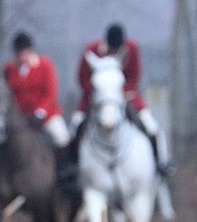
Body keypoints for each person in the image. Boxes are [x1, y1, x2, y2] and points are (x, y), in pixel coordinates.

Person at [71, 23, 174, 176]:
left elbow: (134, 77)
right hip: (96, 101)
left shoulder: (132, 49)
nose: (114, 52)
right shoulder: (91, 51)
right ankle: (72, 166)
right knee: (74, 126)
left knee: (153, 128)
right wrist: (98, 93)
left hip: (128, 98)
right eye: (112, 49)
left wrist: (119, 94)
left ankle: (161, 162)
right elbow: (82, 77)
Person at [0, 31, 73, 190]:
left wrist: (39, 113)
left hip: (46, 114)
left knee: (62, 137)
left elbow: (51, 93)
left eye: (24, 52)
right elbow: (6, 94)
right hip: (19, 118)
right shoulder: (9, 69)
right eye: (18, 53)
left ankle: (65, 173)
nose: (21, 57)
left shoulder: (45, 66)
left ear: (30, 51)